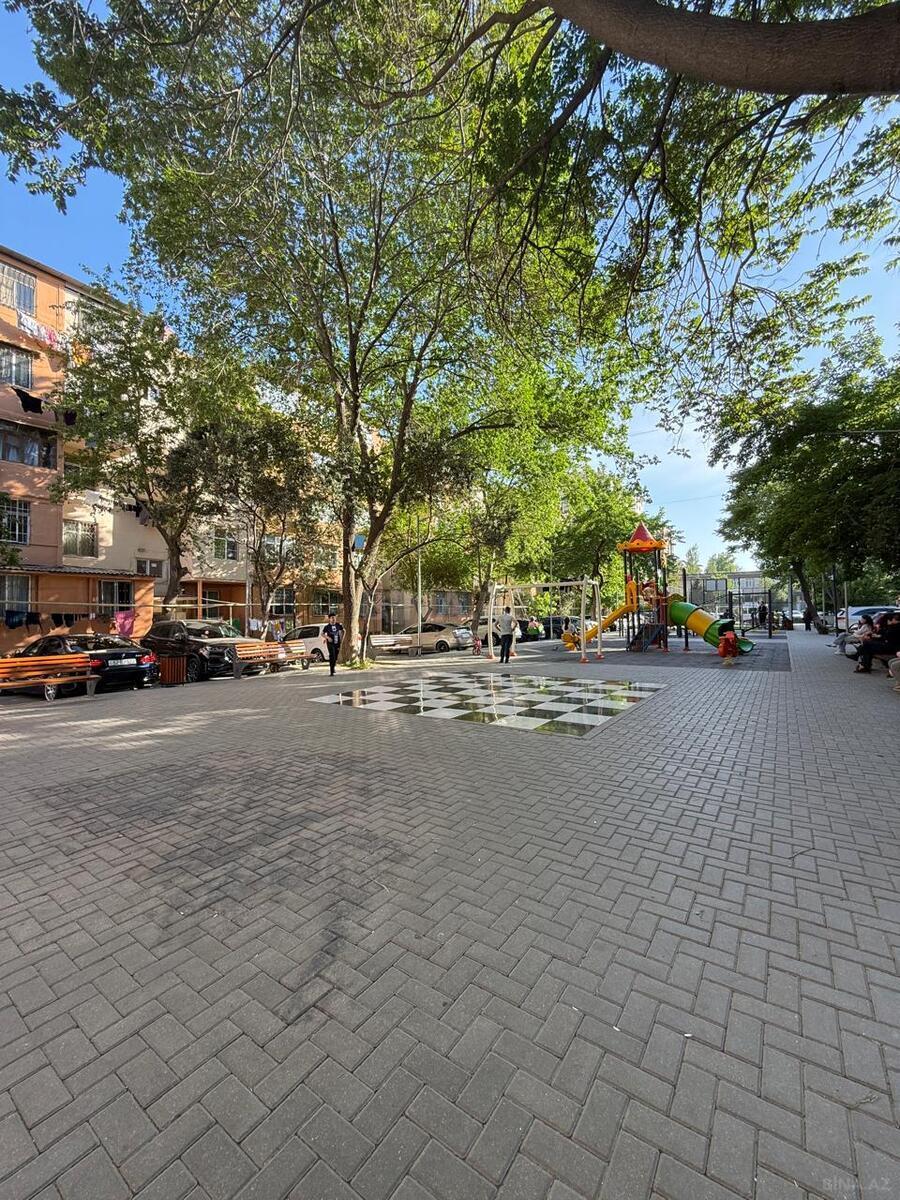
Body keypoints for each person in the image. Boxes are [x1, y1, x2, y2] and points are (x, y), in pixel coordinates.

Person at [323, 612, 344, 676]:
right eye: (332, 618)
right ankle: (331, 671)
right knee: (332, 656)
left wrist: (342, 639)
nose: (333, 619)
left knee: (336, 656)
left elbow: (343, 631)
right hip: (330, 643)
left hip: (337, 643)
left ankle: (333, 666)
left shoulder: (338, 625)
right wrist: (328, 637)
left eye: (334, 618)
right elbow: (322, 634)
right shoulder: (327, 627)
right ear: (329, 619)